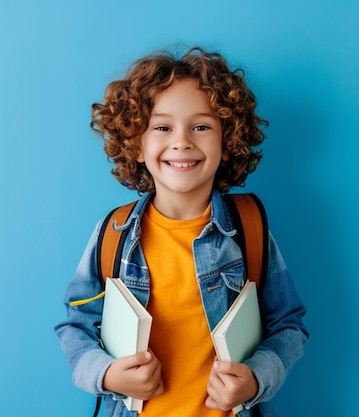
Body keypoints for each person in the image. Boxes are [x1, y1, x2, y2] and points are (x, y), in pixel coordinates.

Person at [54, 46, 309, 417]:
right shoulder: (113, 233)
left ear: (227, 141)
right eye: (162, 127)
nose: (182, 141)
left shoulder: (249, 228)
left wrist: (256, 378)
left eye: (201, 126)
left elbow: (288, 325)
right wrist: (107, 374)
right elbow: (75, 325)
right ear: (136, 144)